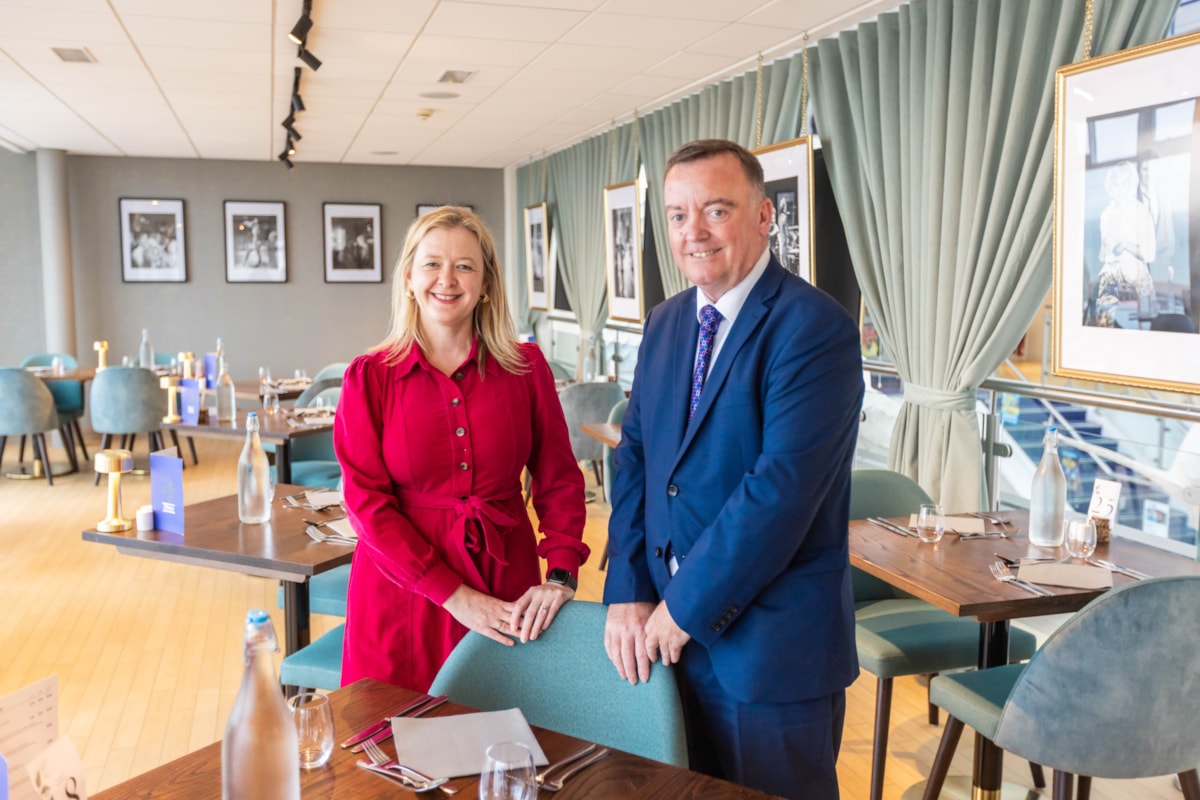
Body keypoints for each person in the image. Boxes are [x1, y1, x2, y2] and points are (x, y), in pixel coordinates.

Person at [602, 139, 863, 799]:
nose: (695, 232)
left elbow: (779, 495)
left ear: (764, 216)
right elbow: (635, 456)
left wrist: (683, 609)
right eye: (678, 215)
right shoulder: (663, 324)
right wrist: (628, 589)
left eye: (716, 210)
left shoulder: (816, 329)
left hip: (769, 654)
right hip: (662, 639)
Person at [334, 206, 589, 692]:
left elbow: (559, 479)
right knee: (391, 748)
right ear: (409, 279)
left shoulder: (525, 368)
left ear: (486, 283)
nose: (446, 279)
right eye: (431, 264)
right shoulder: (369, 378)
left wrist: (560, 574)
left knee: (500, 742)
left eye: (464, 266)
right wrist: (451, 595)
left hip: (505, 586)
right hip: (402, 591)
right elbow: (366, 504)